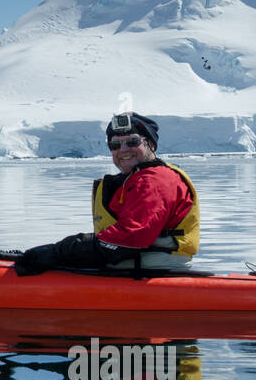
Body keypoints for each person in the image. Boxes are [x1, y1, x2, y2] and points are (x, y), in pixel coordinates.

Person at [14, 112, 198, 275]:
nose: (123, 150)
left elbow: (131, 237)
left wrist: (61, 251)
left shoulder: (154, 181)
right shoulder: (135, 180)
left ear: (150, 144)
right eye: (115, 145)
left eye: (132, 142)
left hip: (149, 273)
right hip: (130, 268)